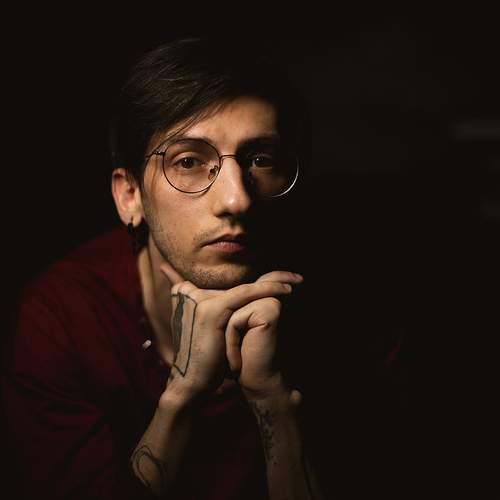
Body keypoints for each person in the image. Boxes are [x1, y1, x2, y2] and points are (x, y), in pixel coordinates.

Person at [1, 36, 331, 499]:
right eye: (189, 161)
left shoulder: (350, 309)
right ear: (129, 196)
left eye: (261, 160)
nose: (236, 199)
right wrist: (182, 393)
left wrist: (272, 400)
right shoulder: (62, 318)